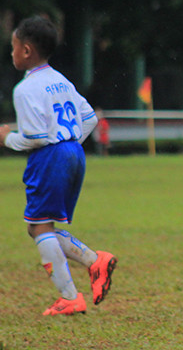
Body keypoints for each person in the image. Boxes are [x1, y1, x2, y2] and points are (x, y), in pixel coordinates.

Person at [0, 16, 117, 316]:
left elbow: (36, 137)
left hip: (50, 157)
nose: (10, 52)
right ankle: (94, 262)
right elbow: (89, 117)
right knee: (41, 226)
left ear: (26, 50)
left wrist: (7, 138)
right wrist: (68, 143)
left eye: (12, 47)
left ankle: (71, 295)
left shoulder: (25, 89)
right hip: (73, 152)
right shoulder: (60, 80)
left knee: (40, 227)